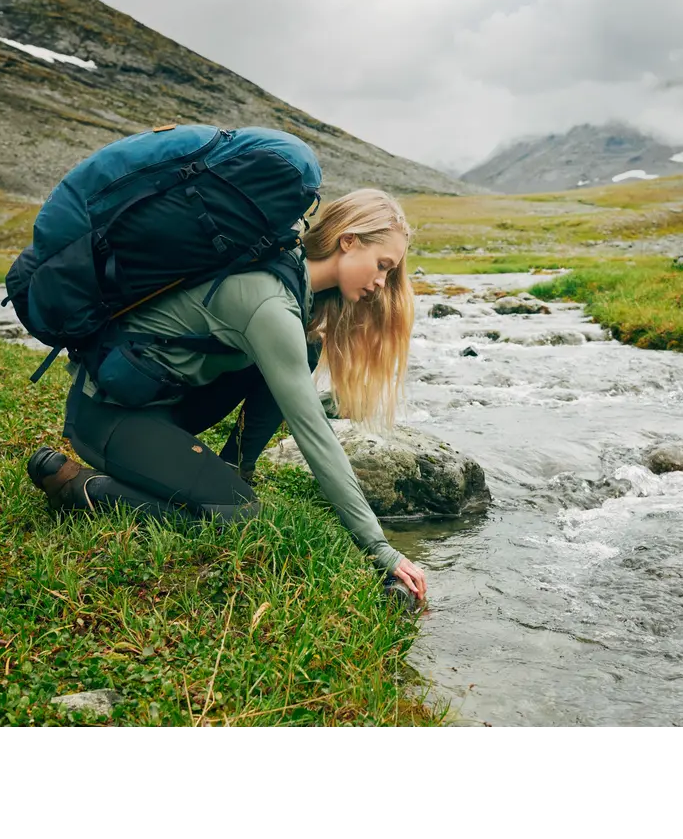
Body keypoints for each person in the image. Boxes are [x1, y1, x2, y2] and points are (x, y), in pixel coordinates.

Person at [26, 188, 428, 603]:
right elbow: (313, 432)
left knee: (304, 349)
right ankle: (81, 488)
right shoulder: (269, 303)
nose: (381, 283)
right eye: (382, 266)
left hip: (160, 401)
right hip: (108, 418)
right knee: (241, 516)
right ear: (348, 241)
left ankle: (233, 471)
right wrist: (378, 546)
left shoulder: (289, 273)